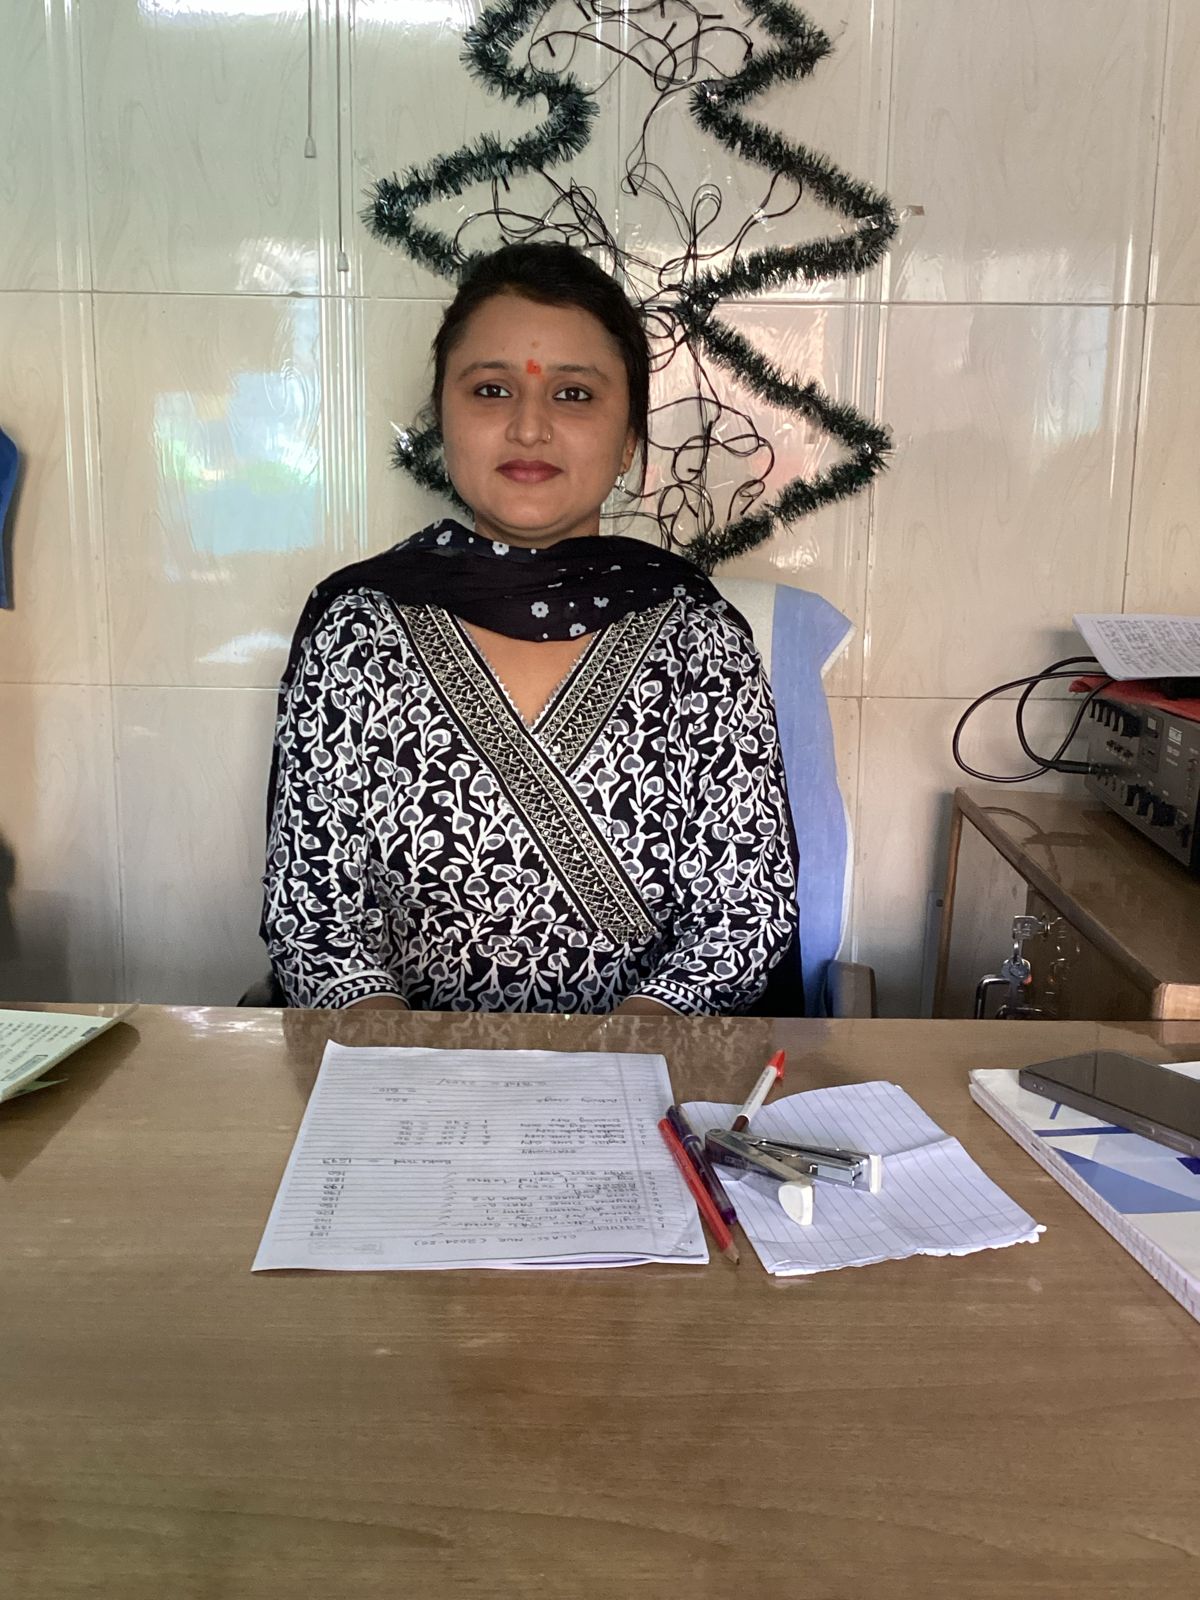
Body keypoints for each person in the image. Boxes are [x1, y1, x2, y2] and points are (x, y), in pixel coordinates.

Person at [261, 241, 800, 1015]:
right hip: (404, 1077)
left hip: (640, 1072)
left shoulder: (698, 641)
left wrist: (615, 1062)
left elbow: (743, 918)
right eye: (491, 390)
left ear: (629, 439)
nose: (529, 428)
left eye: (574, 395)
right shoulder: (357, 631)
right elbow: (313, 920)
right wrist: (404, 1070)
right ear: (442, 420)